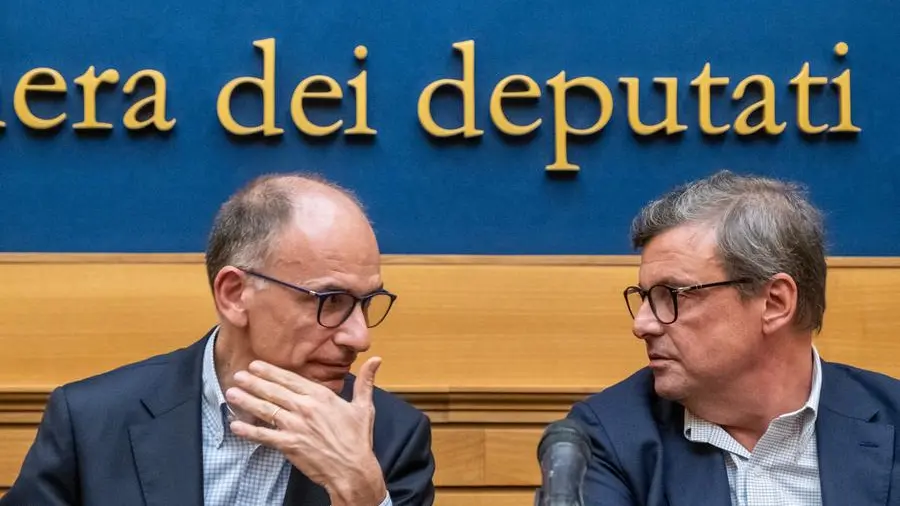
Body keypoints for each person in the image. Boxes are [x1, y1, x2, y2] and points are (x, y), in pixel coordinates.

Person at [3, 173, 436, 506]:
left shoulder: (391, 442)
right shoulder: (92, 421)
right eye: (331, 300)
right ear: (234, 295)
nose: (360, 337)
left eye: (367, 302)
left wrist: (362, 493)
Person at [567, 170, 900, 505]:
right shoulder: (609, 436)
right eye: (645, 296)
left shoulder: (892, 421)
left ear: (774, 303)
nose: (642, 325)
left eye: (673, 295)